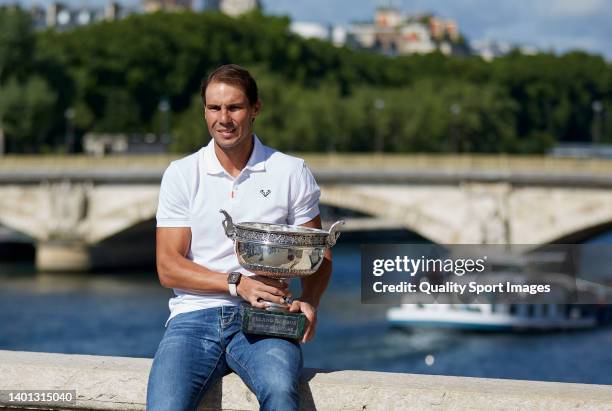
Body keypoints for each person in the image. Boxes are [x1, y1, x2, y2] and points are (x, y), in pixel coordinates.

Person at [146, 64, 332, 411]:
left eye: (234, 107)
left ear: (255, 109)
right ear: (204, 111)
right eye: (214, 108)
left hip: (268, 318)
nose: (224, 119)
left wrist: (311, 301)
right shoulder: (182, 174)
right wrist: (237, 283)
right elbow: (168, 267)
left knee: (280, 393)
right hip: (193, 316)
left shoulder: (290, 171)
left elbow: (320, 253)